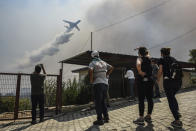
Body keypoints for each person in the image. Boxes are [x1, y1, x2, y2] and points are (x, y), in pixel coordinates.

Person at [157, 48, 183, 128]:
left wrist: (157, 78)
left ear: (162, 53)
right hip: (178, 82)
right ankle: (177, 112)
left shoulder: (161, 59)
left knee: (171, 100)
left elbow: (160, 70)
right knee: (172, 97)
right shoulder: (174, 59)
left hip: (168, 82)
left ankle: (177, 121)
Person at [89, 50, 113, 125]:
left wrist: (91, 80)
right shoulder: (104, 62)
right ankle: (106, 117)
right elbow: (112, 67)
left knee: (98, 102)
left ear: (92, 56)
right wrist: (107, 75)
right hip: (105, 84)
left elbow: (90, 70)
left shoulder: (92, 62)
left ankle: (100, 120)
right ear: (98, 55)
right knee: (103, 101)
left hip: (98, 84)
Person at [133, 47, 154, 125]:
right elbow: (147, 54)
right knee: (150, 99)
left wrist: (140, 72)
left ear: (139, 53)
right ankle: (148, 115)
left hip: (142, 81)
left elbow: (138, 65)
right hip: (150, 80)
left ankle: (141, 118)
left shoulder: (139, 58)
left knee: (141, 99)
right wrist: (142, 48)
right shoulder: (149, 58)